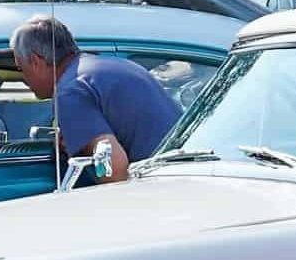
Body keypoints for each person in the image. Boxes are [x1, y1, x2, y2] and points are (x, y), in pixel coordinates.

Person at [11, 15, 178, 184]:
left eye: (21, 68)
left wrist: (85, 152)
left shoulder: (69, 92)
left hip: (161, 187)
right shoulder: (113, 66)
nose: (23, 78)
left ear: (35, 62)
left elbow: (113, 171)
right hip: (187, 174)